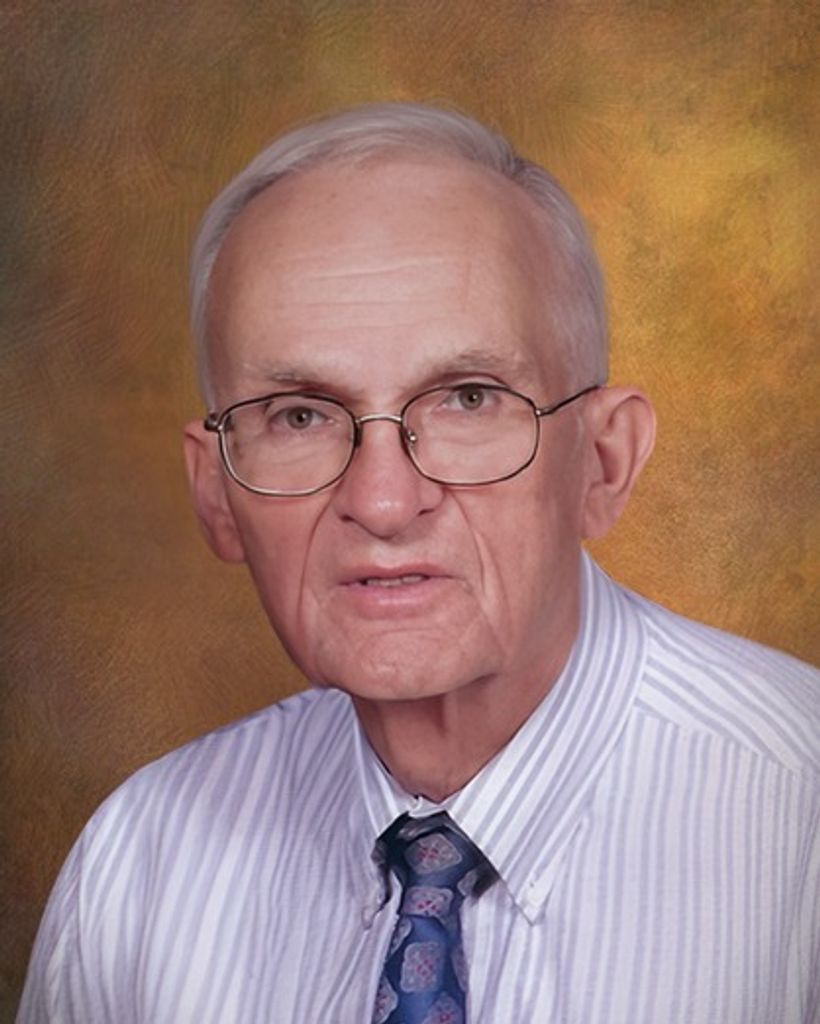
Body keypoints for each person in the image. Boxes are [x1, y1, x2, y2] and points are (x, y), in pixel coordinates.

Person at [19, 102, 818, 1024]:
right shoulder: (138, 873)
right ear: (216, 492)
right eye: (300, 416)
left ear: (604, 462)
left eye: (469, 399)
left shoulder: (800, 821)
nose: (384, 502)